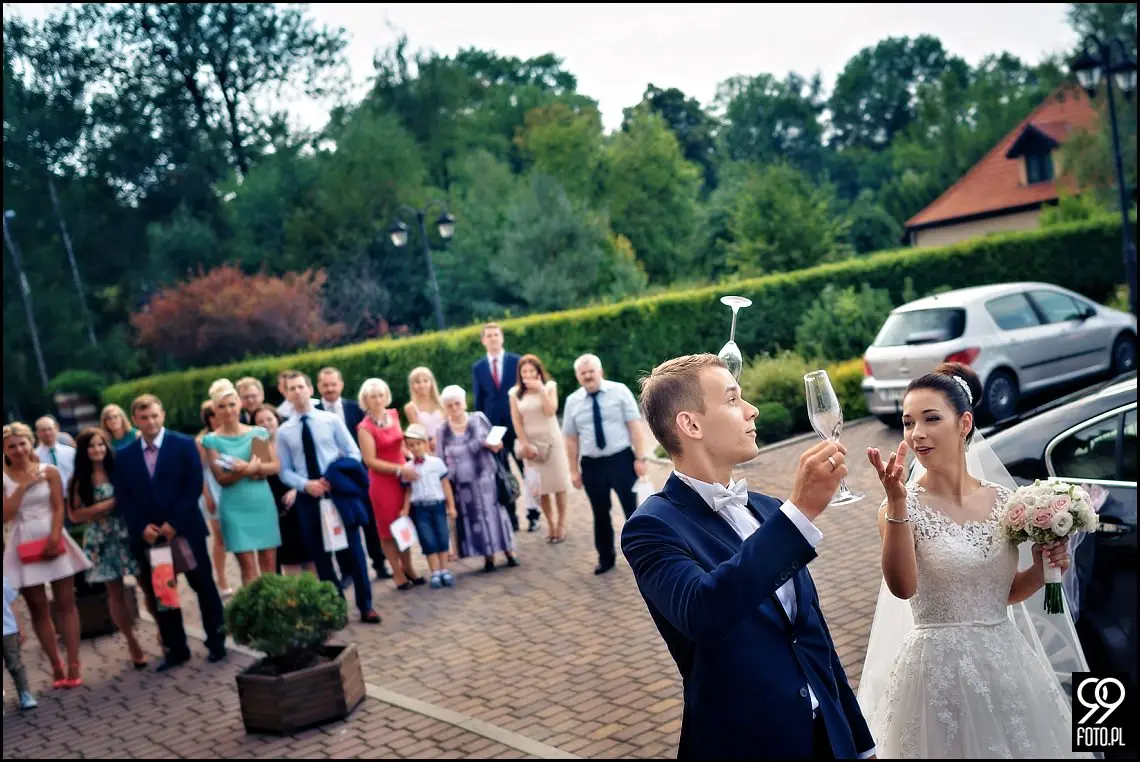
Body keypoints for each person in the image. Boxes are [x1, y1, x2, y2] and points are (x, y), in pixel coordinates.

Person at [621, 354, 875, 760]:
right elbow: (704, 611)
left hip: (828, 739)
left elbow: (815, 638)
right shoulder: (651, 527)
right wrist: (800, 512)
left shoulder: (769, 509)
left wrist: (860, 744)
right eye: (733, 399)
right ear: (691, 425)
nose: (752, 409)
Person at [858, 363, 1087, 759]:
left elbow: (1004, 592)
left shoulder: (1004, 502)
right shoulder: (900, 506)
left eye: (931, 419)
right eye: (908, 423)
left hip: (1004, 662)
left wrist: (1041, 568)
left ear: (964, 423)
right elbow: (903, 588)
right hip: (938, 677)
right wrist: (896, 502)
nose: (917, 434)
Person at [112, 394, 226, 671]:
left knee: (203, 585)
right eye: (144, 418)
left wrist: (174, 523)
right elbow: (124, 497)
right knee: (164, 593)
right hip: (151, 538)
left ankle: (216, 641)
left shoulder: (184, 444)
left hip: (185, 530)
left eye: (154, 415)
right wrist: (142, 527)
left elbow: (193, 484)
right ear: (135, 420)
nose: (150, 422)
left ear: (162, 414)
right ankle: (176, 649)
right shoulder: (125, 456)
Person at [275, 371, 380, 624]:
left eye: (301, 386)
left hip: (338, 493)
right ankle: (335, 607)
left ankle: (366, 605)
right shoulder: (284, 431)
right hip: (309, 498)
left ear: (310, 389)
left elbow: (354, 453)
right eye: (292, 389)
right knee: (321, 556)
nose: (297, 392)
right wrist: (305, 484)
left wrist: (335, 475)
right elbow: (284, 470)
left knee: (354, 549)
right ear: (286, 394)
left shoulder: (330, 420)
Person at [3, 422, 91, 689]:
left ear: (30, 443)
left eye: (22, 443)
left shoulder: (50, 471)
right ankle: (55, 665)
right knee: (38, 608)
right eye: (12, 446)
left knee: (66, 603)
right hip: (22, 540)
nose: (18, 450)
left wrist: (55, 536)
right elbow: (5, 515)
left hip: (52, 536)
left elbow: (58, 507)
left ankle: (74, 662)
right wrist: (23, 486)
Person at [67, 427, 147, 670]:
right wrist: (108, 505)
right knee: (115, 591)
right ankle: (132, 642)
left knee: (147, 584)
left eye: (101, 444)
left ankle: (164, 632)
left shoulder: (118, 469)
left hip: (128, 533)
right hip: (100, 539)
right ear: (84, 450)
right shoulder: (79, 480)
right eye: (91, 446)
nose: (97, 450)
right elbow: (75, 515)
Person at [563, 354, 651, 575]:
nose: (588, 376)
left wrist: (640, 458)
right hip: (592, 466)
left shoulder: (619, 391)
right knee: (600, 513)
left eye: (591, 371)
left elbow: (635, 426)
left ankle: (645, 554)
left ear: (600, 371)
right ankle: (606, 558)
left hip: (621, 460)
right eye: (583, 373)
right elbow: (571, 439)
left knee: (633, 510)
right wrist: (573, 470)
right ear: (578, 377)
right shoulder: (572, 401)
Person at [202, 379, 282, 585]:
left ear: (239, 405)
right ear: (215, 410)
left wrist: (245, 468)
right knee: (247, 567)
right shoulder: (211, 441)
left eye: (231, 404)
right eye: (222, 406)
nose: (228, 410)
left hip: (260, 502)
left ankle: (274, 611)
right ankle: (255, 613)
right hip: (234, 507)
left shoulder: (257, 433)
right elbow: (222, 479)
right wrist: (248, 469)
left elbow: (270, 468)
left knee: (269, 565)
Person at [317, 366, 388, 586]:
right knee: (339, 523)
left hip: (358, 475)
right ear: (319, 386)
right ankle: (348, 570)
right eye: (325, 385)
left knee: (369, 521)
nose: (330, 388)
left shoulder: (355, 409)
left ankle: (379, 563)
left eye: (333, 384)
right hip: (333, 479)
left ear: (341, 384)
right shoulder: (315, 413)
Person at [437, 385, 520, 573]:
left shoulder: (478, 418)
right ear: (445, 408)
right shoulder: (442, 430)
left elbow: (496, 443)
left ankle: (509, 553)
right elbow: (440, 458)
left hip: (486, 478)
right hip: (462, 485)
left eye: (457, 403)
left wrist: (495, 445)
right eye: (449, 405)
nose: (454, 408)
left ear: (464, 403)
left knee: (497, 516)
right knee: (475, 519)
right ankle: (488, 556)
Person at [471, 322, 539, 533]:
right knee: (501, 474)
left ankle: (533, 514)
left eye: (496, 334)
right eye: (488, 335)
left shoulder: (516, 361)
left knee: (527, 471)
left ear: (502, 338)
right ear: (483, 340)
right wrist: (482, 431)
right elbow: (479, 401)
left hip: (517, 425)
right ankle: (511, 517)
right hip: (494, 430)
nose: (492, 338)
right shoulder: (478, 367)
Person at [357, 378, 424, 591]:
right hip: (383, 482)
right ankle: (397, 573)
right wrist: (398, 468)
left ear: (386, 396)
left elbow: (402, 445)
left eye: (380, 395)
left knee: (404, 524)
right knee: (388, 530)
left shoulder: (394, 415)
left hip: (402, 478)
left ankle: (409, 567)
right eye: (372, 397)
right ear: (365, 400)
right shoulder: (364, 427)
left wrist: (412, 460)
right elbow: (370, 461)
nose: (377, 400)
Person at [508, 354, 572, 543]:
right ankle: (550, 523)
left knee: (559, 485)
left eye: (531, 371)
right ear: (520, 373)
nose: (527, 374)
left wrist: (541, 390)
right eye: (524, 371)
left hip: (552, 443)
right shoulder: (514, 393)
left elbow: (551, 410)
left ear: (538, 372)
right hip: (531, 445)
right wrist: (524, 443)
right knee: (541, 488)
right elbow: (516, 421)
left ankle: (561, 523)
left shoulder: (549, 387)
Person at [251, 405, 313, 577]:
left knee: (310, 553)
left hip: (298, 496)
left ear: (277, 419)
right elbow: (259, 476)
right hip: (275, 505)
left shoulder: (289, 438)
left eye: (269, 419)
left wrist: (296, 489)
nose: (266, 424)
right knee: (288, 555)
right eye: (260, 422)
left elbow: (304, 467)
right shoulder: (257, 445)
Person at [400, 424, 457, 589]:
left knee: (442, 536)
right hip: (420, 509)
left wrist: (451, 506)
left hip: (438, 505)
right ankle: (435, 572)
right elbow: (408, 491)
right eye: (411, 445)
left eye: (418, 444)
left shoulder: (436, 463)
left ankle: (444, 569)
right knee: (428, 539)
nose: (416, 448)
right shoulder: (407, 468)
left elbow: (446, 485)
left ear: (425, 444)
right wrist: (405, 509)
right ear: (407, 448)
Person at [195, 401, 231, 597]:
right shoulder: (203, 441)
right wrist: (207, 495)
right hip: (213, 489)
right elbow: (199, 472)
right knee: (220, 538)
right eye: (215, 415)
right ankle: (221, 577)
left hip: (231, 486)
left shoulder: (232, 433)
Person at [3, 575, 37, 710]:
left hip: (8, 632)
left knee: (15, 665)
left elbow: (13, 606)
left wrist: (20, 628)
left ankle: (24, 693)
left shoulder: (4, 581)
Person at [34, 416, 76, 497]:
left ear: (57, 428)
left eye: (50, 429)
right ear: (37, 433)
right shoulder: (34, 456)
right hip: (50, 500)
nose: (47, 433)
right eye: (43, 430)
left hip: (72, 497)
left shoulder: (71, 452)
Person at [404, 366, 446, 449]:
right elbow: (418, 434)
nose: (422, 385)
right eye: (417, 382)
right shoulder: (410, 407)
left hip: (446, 441)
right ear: (412, 385)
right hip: (427, 446)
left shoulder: (442, 401)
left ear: (431, 383)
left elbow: (448, 424)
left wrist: (438, 439)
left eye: (425, 381)